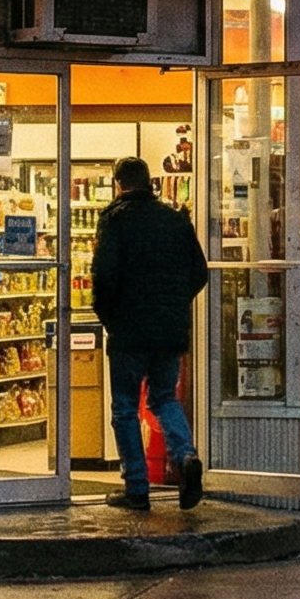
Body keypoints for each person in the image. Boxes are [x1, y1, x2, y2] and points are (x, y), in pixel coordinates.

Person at [90, 157, 210, 511]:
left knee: (125, 408)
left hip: (129, 330)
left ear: (118, 184)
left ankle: (137, 488)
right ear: (150, 183)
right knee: (163, 398)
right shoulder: (175, 220)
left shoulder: (115, 220)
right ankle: (185, 457)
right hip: (169, 330)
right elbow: (199, 272)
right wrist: (172, 305)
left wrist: (109, 317)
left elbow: (104, 277)